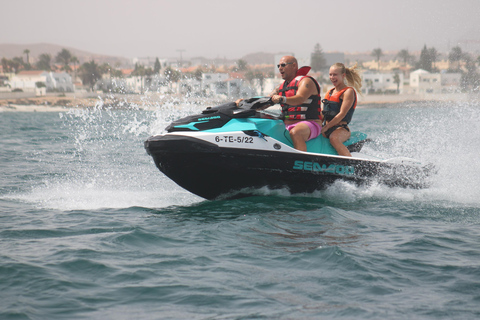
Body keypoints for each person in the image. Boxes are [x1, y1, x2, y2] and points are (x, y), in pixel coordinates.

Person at [268, 56, 323, 151]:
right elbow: (267, 100)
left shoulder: (306, 81)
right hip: (286, 124)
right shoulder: (280, 87)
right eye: (278, 66)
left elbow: (300, 98)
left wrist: (282, 99)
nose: (280, 68)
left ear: (294, 66)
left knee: (296, 132)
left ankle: (301, 161)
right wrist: (244, 103)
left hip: (310, 123)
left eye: (283, 65)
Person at [321, 63, 362, 157]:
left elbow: (342, 114)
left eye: (335, 75)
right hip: (326, 128)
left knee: (334, 138)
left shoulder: (348, 92)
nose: (332, 77)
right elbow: (323, 114)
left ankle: (350, 163)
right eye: (330, 74)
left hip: (341, 129)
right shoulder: (330, 92)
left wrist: (326, 127)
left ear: (343, 75)